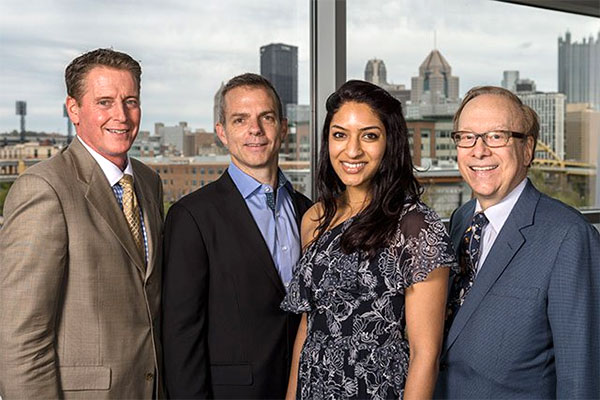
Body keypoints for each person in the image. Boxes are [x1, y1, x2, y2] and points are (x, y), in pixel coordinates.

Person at [0, 48, 164, 399]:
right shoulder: (44, 189)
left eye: (130, 101)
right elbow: (20, 335)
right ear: (73, 109)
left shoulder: (149, 183)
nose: (121, 115)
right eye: (104, 101)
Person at [281, 80, 457, 400]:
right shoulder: (315, 219)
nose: (352, 150)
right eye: (340, 135)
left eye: (369, 135)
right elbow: (309, 327)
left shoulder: (416, 227)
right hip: (314, 386)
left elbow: (424, 354)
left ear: (391, 142)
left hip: (375, 389)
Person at [435, 86, 600, 399]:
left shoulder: (569, 237)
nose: (478, 150)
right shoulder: (461, 220)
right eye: (466, 136)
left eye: (497, 136)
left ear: (528, 150)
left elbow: (581, 380)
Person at [162, 73, 312, 399]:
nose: (255, 129)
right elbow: (180, 334)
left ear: (282, 127)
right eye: (240, 120)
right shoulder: (192, 217)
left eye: (266, 118)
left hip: (305, 389)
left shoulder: (309, 212)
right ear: (222, 133)